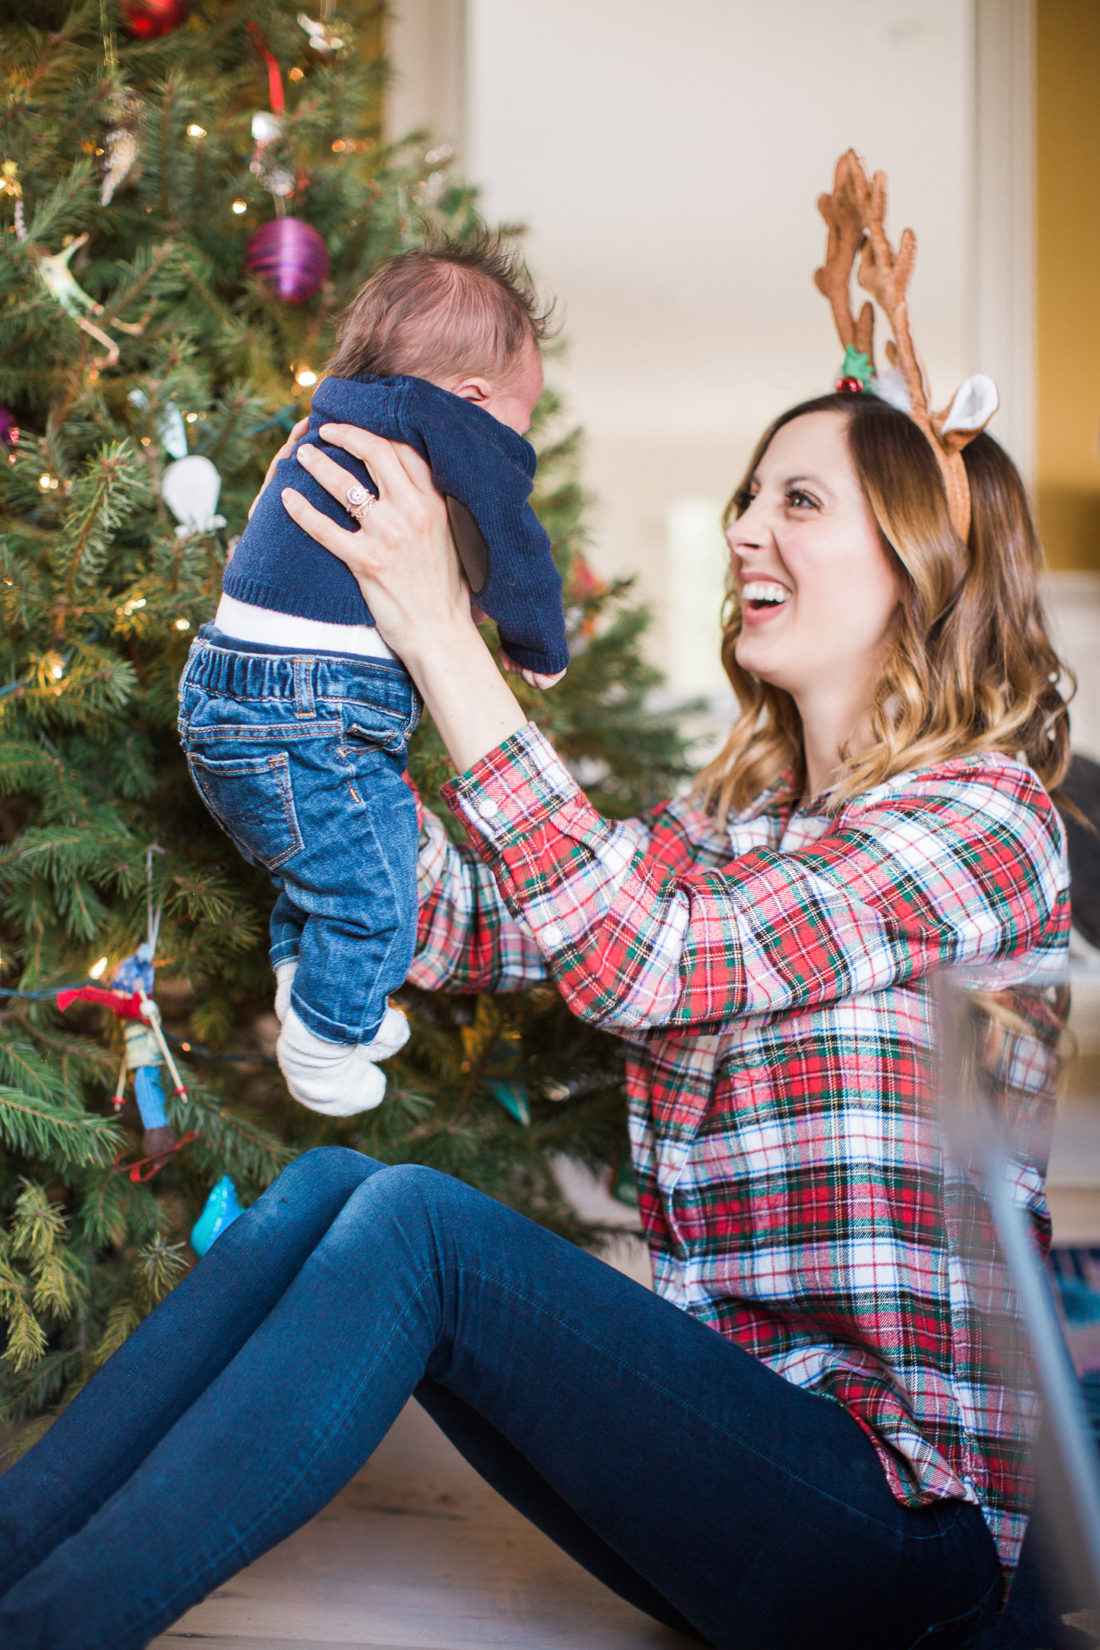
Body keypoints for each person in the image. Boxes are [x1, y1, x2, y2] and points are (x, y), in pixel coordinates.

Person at [0, 184, 1072, 1647]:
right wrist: (289, 741)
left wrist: (447, 632)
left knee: (423, 1237)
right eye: (751, 494)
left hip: (909, 1527)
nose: (748, 528)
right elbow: (473, 920)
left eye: (799, 501)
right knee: (330, 1193)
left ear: (919, 564)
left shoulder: (983, 821)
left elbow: (655, 960)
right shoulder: (729, 831)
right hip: (743, 1447)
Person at [178, 234, 567, 1119]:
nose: (518, 444)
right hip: (306, 709)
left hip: (224, 693)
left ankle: (320, 995)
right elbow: (513, 540)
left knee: (334, 854)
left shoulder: (332, 418)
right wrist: (538, 640)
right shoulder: (448, 428)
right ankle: (323, 1042)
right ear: (471, 402)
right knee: (376, 888)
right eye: (522, 420)